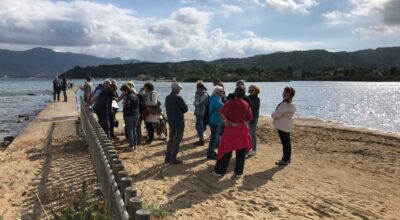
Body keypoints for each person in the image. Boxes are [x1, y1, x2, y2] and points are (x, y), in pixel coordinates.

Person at [210, 86, 253, 177]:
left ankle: (219, 172)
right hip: (242, 130)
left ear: (235, 93)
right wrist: (243, 122)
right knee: (241, 153)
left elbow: (221, 112)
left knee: (226, 151)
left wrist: (226, 121)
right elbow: (249, 118)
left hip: (231, 130)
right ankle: (238, 173)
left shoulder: (229, 103)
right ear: (243, 94)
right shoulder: (246, 104)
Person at [272, 87, 296, 166]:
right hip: (288, 124)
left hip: (283, 125)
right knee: (287, 142)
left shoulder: (285, 104)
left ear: (288, 93)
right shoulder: (292, 103)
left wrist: (272, 114)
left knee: (285, 143)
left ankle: (285, 159)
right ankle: (287, 158)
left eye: (284, 92)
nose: (283, 93)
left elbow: (277, 114)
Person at [165, 82, 188, 164]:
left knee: (171, 140)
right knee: (176, 141)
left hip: (171, 121)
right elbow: (185, 109)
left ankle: (167, 157)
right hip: (179, 122)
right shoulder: (178, 98)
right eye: (179, 89)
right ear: (176, 89)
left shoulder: (167, 97)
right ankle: (173, 158)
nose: (179, 90)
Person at [206, 86, 224, 160]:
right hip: (215, 121)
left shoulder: (215, 98)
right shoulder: (215, 98)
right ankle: (210, 153)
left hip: (215, 120)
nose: (223, 92)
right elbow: (221, 106)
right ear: (217, 92)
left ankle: (212, 152)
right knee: (214, 138)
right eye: (221, 91)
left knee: (215, 137)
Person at [120, 84, 139, 150]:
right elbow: (137, 105)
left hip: (129, 115)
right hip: (136, 114)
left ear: (126, 90)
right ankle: (135, 144)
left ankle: (131, 146)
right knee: (134, 130)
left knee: (130, 130)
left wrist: (125, 113)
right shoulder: (135, 96)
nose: (123, 93)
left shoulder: (128, 97)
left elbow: (127, 106)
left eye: (123, 91)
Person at [193, 82, 208, 146]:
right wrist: (196, 100)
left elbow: (199, 103)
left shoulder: (204, 94)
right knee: (199, 126)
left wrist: (195, 103)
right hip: (197, 112)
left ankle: (201, 140)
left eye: (197, 87)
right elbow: (196, 100)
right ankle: (201, 139)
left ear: (200, 88)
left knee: (198, 126)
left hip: (201, 112)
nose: (196, 89)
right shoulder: (198, 93)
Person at [247, 85, 261, 156]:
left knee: (252, 133)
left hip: (254, 118)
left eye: (253, 90)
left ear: (256, 91)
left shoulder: (257, 99)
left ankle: (254, 149)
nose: (251, 91)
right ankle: (249, 148)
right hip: (247, 118)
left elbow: (253, 109)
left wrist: (251, 119)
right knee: (248, 134)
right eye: (250, 90)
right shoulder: (248, 97)